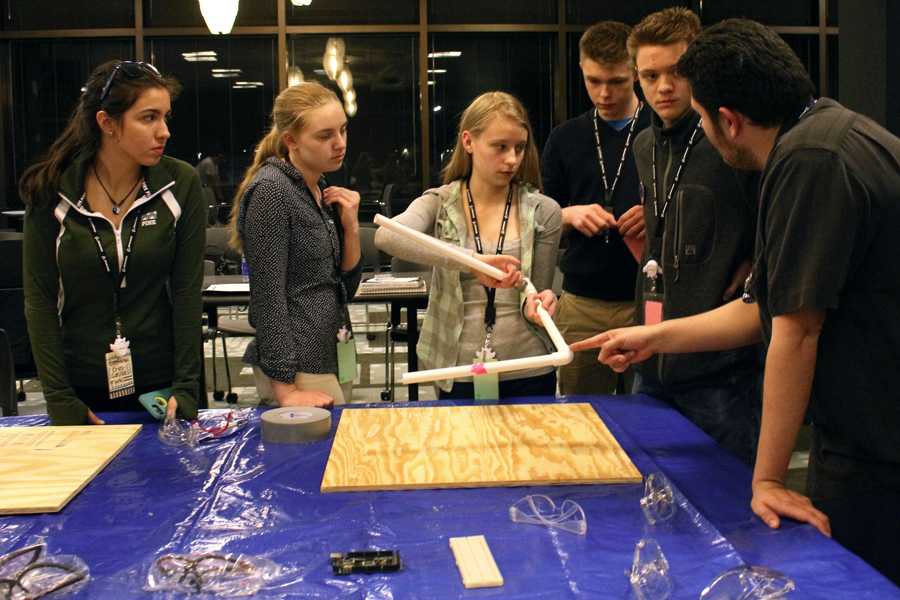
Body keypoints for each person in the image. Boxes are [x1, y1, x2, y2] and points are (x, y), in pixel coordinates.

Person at [573, 19, 900, 584]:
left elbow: (796, 331)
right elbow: (761, 311)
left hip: (875, 442)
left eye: (702, 116)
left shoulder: (808, 162)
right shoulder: (834, 134)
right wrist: (653, 334)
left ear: (728, 120)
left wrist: (769, 479)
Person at [20, 60, 205, 425]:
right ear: (107, 123)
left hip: (160, 385)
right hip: (80, 387)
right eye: (149, 118)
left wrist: (186, 386)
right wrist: (58, 397)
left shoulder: (179, 183)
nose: (164, 131)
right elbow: (39, 299)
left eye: (166, 117)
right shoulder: (52, 190)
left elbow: (186, 292)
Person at [626, 8, 761, 464]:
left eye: (677, 72)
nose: (663, 86)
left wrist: (756, 262)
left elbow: (779, 212)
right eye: (649, 75)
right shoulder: (644, 146)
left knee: (726, 505)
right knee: (651, 491)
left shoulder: (732, 136)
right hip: (653, 351)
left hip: (720, 369)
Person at [375, 92, 561, 399]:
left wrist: (542, 302)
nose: (512, 159)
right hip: (457, 367)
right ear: (469, 142)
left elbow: (535, 297)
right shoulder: (439, 202)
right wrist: (472, 262)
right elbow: (387, 236)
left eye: (519, 148)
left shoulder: (544, 211)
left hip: (530, 365)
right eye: (500, 147)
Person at [230, 82, 361, 408]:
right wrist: (286, 388)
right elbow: (267, 298)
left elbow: (346, 286)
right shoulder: (272, 192)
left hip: (332, 348)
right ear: (291, 141)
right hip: (297, 366)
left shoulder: (318, 188)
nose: (339, 143)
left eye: (343, 131)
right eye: (324, 135)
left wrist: (351, 227)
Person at [541, 21, 651, 396]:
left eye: (617, 82)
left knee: (651, 416)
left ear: (635, 72)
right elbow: (539, 217)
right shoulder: (565, 138)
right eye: (593, 81)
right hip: (582, 301)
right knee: (581, 414)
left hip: (649, 297)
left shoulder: (661, 128)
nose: (604, 93)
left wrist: (655, 218)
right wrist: (567, 215)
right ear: (582, 71)